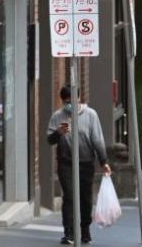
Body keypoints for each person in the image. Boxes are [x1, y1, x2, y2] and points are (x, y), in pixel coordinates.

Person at [46, 86, 111, 245]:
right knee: (69, 196)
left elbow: (97, 139)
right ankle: (68, 231)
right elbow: (50, 140)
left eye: (72, 100)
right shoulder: (57, 116)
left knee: (85, 198)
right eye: (66, 101)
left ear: (79, 98)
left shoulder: (90, 115)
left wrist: (104, 162)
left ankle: (85, 230)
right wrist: (58, 133)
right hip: (66, 163)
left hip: (86, 162)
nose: (69, 104)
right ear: (62, 101)